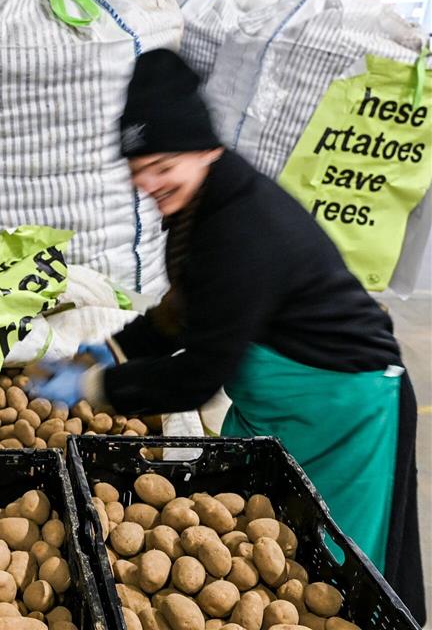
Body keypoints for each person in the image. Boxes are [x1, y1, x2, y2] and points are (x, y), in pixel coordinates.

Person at [33, 49, 424, 622]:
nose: (148, 183)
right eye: (138, 169)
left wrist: (98, 386)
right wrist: (112, 350)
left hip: (346, 406)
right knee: (253, 539)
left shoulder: (243, 225)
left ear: (205, 148)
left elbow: (198, 376)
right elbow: (182, 309)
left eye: (162, 166)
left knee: (339, 569)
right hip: (274, 401)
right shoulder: (200, 204)